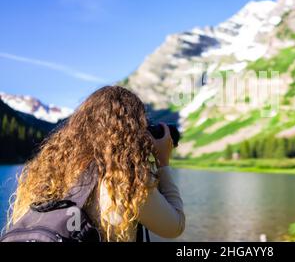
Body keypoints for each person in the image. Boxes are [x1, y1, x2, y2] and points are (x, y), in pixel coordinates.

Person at [8, 86, 185, 242]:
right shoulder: (124, 180)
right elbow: (175, 226)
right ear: (133, 131)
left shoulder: (47, 172)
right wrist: (162, 163)